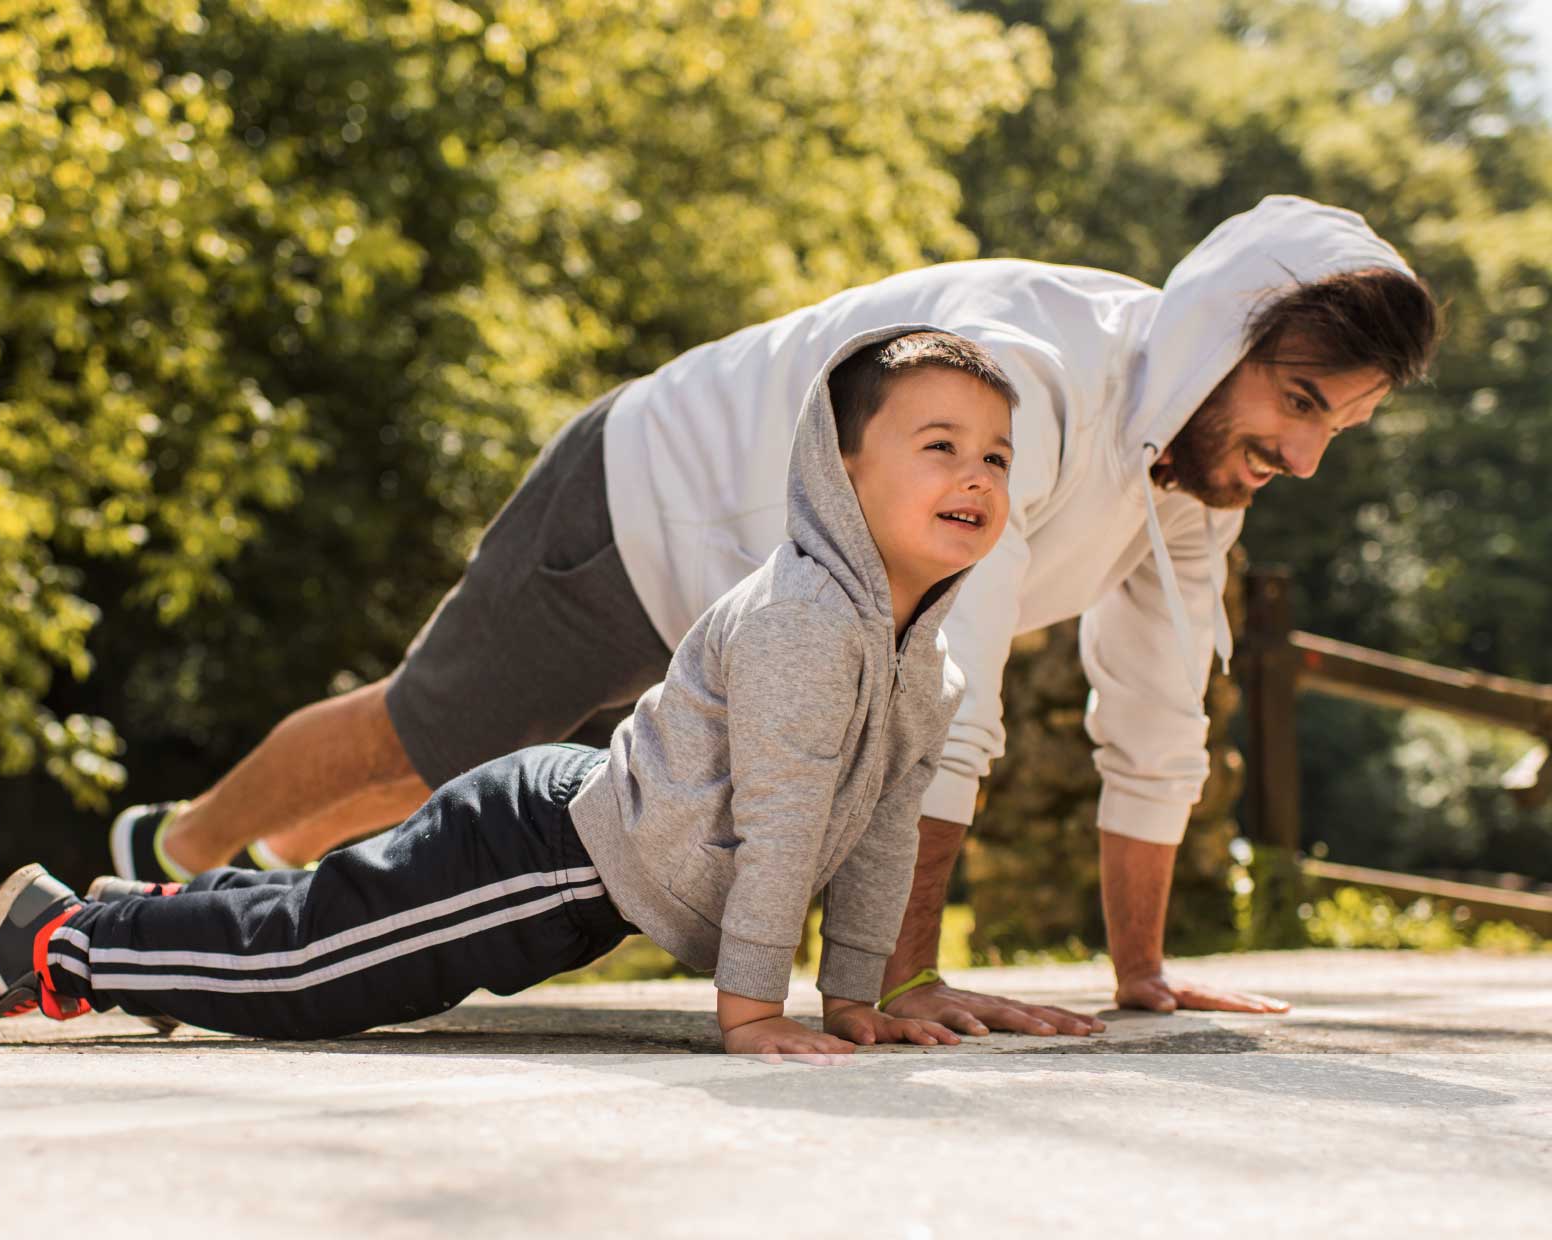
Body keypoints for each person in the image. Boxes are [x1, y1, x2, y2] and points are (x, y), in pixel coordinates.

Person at [104, 194, 1439, 1033]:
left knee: (441, 771)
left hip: (766, 593)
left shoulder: (1196, 472)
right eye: (1300, 405)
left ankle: (239, 891)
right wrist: (906, 984)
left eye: (1345, 428)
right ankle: (167, 859)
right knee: (425, 738)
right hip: (653, 504)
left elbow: (1155, 714)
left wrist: (1141, 976)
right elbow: (949, 697)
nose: (1307, 456)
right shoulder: (1024, 368)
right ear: (1221, 338)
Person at [0, 329, 1016, 1055]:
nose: (975, 475)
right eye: (939, 447)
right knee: (312, 971)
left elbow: (877, 830)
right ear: (837, 467)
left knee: (326, 919)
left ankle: (132, 915)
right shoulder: (804, 620)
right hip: (541, 855)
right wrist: (752, 1012)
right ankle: (65, 943)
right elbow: (786, 822)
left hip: (570, 854)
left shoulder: (924, 660)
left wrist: (852, 996)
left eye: (996, 457)